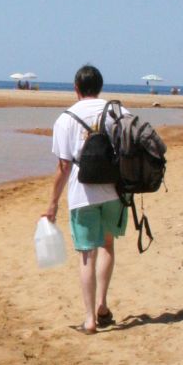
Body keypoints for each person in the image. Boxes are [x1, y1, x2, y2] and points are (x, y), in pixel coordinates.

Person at [43, 64, 127, 333]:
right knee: (107, 246)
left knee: (86, 256)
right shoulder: (117, 112)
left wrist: (52, 202)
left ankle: (90, 319)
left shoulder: (65, 118)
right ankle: (102, 305)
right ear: (100, 87)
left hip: (83, 194)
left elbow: (64, 167)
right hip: (115, 191)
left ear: (76, 88)